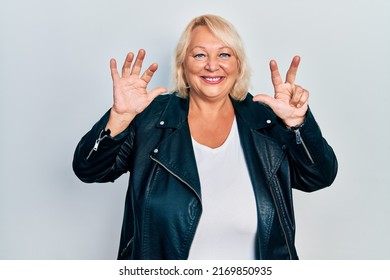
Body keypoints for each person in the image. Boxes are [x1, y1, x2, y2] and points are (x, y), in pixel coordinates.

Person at [73, 14, 338, 260]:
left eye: (224, 54)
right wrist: (119, 116)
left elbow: (319, 177)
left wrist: (297, 125)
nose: (212, 66)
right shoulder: (149, 120)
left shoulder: (266, 120)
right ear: (182, 65)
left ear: (238, 65)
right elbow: (90, 170)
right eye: (199, 55)